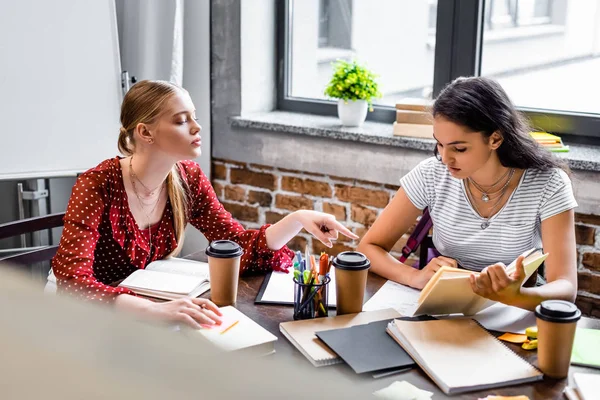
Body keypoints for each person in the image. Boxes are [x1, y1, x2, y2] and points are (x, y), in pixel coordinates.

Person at [52, 80, 358, 329]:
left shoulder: (187, 178)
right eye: (182, 121)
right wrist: (154, 311)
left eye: (194, 117)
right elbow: (73, 282)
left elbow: (236, 243)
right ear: (145, 132)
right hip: (91, 314)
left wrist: (297, 219)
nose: (197, 128)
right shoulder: (97, 184)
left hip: (149, 305)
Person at [358, 76, 578, 311]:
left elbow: (565, 287)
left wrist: (516, 296)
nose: (444, 158)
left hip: (517, 310)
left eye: (459, 148)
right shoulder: (431, 175)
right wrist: (415, 277)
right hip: (446, 306)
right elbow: (368, 247)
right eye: (439, 144)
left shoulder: (549, 183)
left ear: (495, 138)